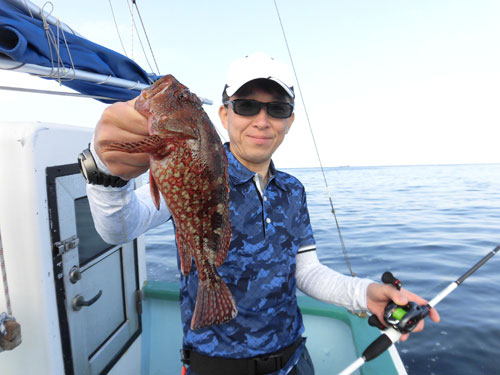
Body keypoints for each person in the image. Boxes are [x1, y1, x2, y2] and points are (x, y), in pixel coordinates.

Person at [84, 52, 440, 375]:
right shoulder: (195, 167)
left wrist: (365, 294)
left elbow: (307, 271)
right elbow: (120, 227)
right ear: (224, 114)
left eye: (277, 109)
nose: (262, 120)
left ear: (290, 121)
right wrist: (105, 173)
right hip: (214, 367)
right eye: (246, 106)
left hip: (294, 361)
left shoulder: (293, 190)